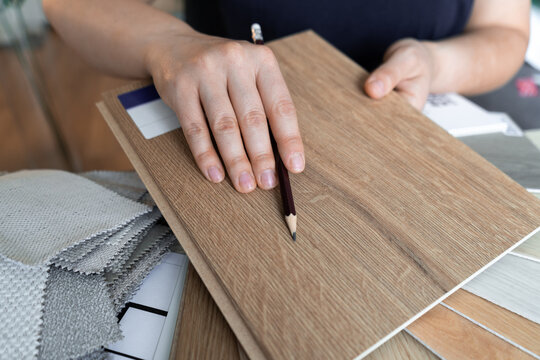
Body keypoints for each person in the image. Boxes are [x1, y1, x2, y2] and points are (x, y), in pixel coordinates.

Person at [43, 0, 530, 193]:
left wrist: (437, 62)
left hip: (422, 156)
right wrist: (165, 44)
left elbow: (506, 31)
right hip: (225, 136)